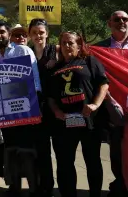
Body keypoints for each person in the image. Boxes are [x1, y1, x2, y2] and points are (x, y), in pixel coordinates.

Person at [49, 31, 109, 197]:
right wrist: (56, 111)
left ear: (78, 44)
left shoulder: (89, 61)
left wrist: (95, 105)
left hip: (89, 121)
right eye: (64, 43)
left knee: (93, 162)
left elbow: (103, 85)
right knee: (65, 164)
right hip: (64, 123)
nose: (67, 46)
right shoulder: (55, 68)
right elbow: (51, 97)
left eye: (71, 43)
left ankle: (95, 194)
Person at [0, 20, 41, 197]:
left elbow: (35, 81)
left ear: (9, 34)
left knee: (26, 151)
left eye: (2, 32)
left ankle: (34, 190)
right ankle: (15, 188)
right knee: (11, 150)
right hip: (6, 111)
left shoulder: (22, 50)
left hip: (25, 108)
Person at [95, 10, 128, 197]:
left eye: (125, 19)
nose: (121, 22)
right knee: (115, 150)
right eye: (117, 19)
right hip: (114, 109)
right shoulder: (100, 50)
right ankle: (120, 183)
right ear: (109, 23)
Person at [28, 18, 58, 197]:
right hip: (36, 108)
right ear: (30, 34)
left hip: (56, 106)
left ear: (47, 33)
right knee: (41, 150)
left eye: (41, 32)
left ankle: (61, 186)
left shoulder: (56, 51)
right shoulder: (27, 53)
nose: (38, 35)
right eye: (34, 32)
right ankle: (44, 186)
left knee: (61, 150)